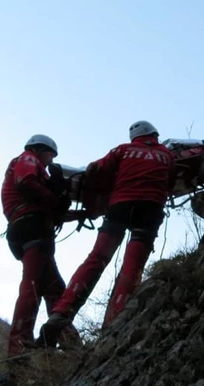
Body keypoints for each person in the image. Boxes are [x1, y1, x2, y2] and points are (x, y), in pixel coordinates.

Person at [38, 121, 176, 347]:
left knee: (97, 258)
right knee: (132, 266)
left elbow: (95, 169)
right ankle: (115, 321)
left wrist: (96, 202)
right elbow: (171, 183)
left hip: (119, 206)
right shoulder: (167, 155)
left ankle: (62, 312)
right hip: (150, 209)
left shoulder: (122, 150)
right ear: (154, 134)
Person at [1, 134, 80, 357]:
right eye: (50, 155)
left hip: (27, 227)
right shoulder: (28, 159)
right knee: (33, 284)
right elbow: (27, 184)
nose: (50, 161)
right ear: (40, 149)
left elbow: (44, 203)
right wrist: (57, 200)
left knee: (54, 288)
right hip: (33, 227)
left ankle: (69, 342)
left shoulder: (30, 168)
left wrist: (75, 213)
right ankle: (19, 346)